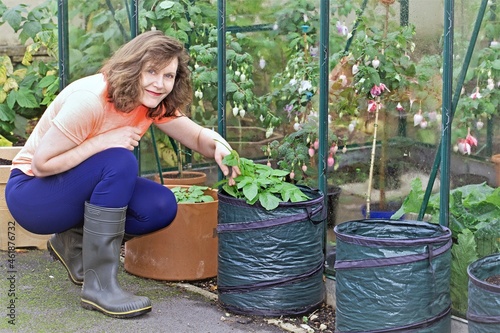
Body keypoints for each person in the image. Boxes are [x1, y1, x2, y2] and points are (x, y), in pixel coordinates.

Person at [5, 30, 240, 319]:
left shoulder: (151, 102)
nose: (160, 83)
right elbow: (42, 164)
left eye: (169, 75)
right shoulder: (90, 100)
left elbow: (196, 137)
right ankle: (99, 287)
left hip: (68, 189)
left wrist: (218, 145)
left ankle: (72, 243)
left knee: (159, 205)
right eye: (151, 71)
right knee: (120, 160)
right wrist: (102, 142)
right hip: (33, 195)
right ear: (133, 67)